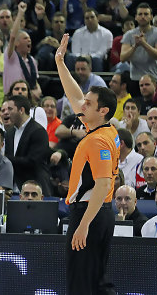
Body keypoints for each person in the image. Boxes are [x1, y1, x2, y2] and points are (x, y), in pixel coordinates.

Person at [55, 32, 119, 294]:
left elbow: (103, 185)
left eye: (89, 103)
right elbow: (75, 96)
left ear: (102, 110)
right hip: (100, 213)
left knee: (81, 284)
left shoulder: (97, 141)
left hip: (89, 213)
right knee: (97, 283)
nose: (82, 105)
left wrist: (82, 226)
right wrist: (60, 63)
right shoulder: (108, 131)